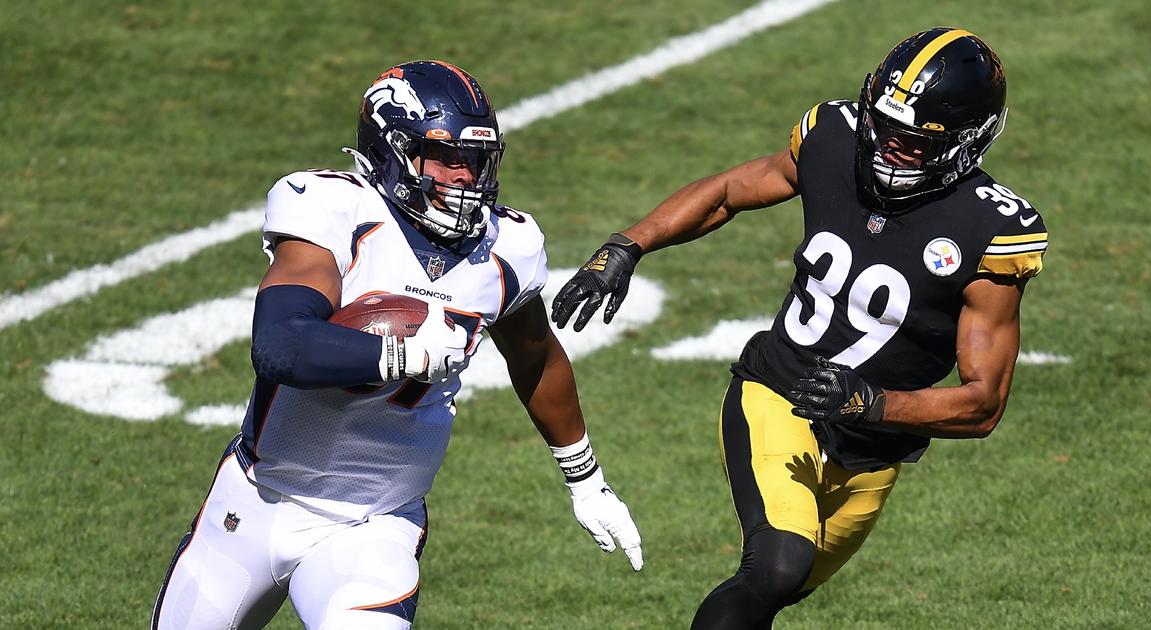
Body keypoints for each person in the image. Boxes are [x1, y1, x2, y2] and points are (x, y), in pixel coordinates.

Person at [552, 27, 1047, 629]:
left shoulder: (990, 230)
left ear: (967, 143)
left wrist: (870, 403)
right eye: (881, 129)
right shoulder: (834, 139)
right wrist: (628, 246)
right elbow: (731, 190)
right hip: (779, 391)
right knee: (778, 565)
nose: (888, 149)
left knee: (768, 592)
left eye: (912, 143)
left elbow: (982, 405)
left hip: (872, 454)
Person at [153, 60, 642, 630]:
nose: (465, 177)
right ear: (393, 151)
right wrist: (402, 357)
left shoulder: (507, 245)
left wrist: (585, 479)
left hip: (375, 524)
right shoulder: (333, 210)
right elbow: (281, 345)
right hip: (262, 500)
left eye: (476, 160)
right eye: (447, 158)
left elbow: (535, 354)